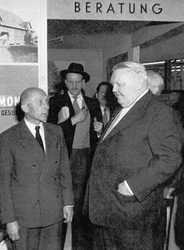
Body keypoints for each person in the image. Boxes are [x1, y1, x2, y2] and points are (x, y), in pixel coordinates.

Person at [85, 61, 184, 250]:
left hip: (132, 213)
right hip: (106, 210)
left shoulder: (160, 113)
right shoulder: (122, 110)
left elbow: (170, 158)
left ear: (139, 83)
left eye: (119, 84)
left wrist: (131, 186)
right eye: (113, 84)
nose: (113, 90)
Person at [0, 87, 74, 250]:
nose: (46, 106)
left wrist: (68, 203)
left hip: (53, 212)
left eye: (46, 101)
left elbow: (64, 170)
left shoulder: (56, 131)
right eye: (40, 102)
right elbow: (3, 184)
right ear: (25, 108)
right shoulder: (8, 138)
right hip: (24, 216)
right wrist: (9, 220)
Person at [47, 62, 103, 250]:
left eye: (77, 82)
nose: (74, 86)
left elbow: (100, 135)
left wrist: (99, 130)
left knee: (81, 206)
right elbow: (50, 134)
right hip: (65, 157)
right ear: (65, 82)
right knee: (63, 202)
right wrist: (72, 120)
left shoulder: (93, 103)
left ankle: (81, 247)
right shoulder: (55, 103)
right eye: (70, 82)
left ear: (83, 83)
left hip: (86, 157)